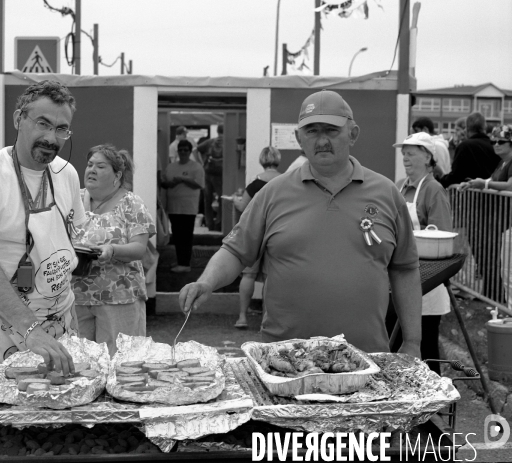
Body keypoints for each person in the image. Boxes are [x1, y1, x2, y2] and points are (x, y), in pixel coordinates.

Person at [179, 90, 422, 357]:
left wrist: (412, 342)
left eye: (331, 130)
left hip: (366, 358)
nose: (321, 140)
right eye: (312, 131)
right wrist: (207, 282)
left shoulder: (386, 194)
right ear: (298, 138)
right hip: (283, 360)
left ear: (353, 134)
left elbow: (404, 269)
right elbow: (236, 252)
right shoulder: (273, 193)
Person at [0, 80, 86, 373]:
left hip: (58, 313)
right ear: (18, 119)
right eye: (42, 123)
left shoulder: (67, 175)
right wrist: (30, 329)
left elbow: (70, 241)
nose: (51, 138)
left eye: (61, 129)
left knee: (61, 406)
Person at [72, 145, 155, 356]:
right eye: (90, 165)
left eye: (100, 166)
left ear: (117, 175)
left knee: (119, 362)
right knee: (81, 363)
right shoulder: (73, 200)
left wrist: (112, 249)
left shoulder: (131, 203)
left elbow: (139, 248)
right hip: (76, 297)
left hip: (120, 299)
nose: (92, 170)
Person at [393, 132, 452, 374]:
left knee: (426, 349)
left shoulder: (433, 190)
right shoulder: (398, 187)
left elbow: (442, 238)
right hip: (399, 279)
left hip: (428, 280)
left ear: (428, 157)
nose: (405, 158)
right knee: (395, 347)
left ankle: (434, 409)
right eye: (403, 153)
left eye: (411, 153)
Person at [458, 125, 512, 304]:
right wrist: (475, 183)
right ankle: (493, 297)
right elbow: (491, 180)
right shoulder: (502, 162)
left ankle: (500, 301)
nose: (496, 144)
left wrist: (485, 185)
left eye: (501, 141)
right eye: (493, 141)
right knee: (491, 258)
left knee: (501, 262)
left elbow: (510, 185)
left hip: (506, 221)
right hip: (499, 218)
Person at [232, 146, 282, 329]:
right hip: (276, 233)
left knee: (248, 275)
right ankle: (265, 321)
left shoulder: (255, 183)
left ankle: (242, 317)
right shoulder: (285, 181)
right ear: (278, 160)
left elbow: (243, 206)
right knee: (271, 278)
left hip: (255, 233)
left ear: (262, 160)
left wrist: (236, 200)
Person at [161, 140, 204, 273]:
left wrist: (183, 179)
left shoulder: (196, 167)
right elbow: (165, 183)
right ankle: (181, 261)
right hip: (173, 207)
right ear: (177, 151)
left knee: (186, 236)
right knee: (177, 236)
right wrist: (169, 183)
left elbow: (199, 184)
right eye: (181, 150)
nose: (183, 152)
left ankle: (185, 264)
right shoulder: (171, 166)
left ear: (190, 151)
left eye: (186, 150)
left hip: (188, 208)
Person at [438, 112, 499, 188]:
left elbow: (456, 175)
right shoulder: (495, 145)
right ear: (484, 127)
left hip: (470, 196)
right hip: (494, 195)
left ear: (466, 129)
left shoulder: (465, 146)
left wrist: (440, 180)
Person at [198, 125, 224, 231]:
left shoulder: (210, 142)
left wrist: (201, 163)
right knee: (222, 199)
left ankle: (209, 224)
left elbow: (196, 149)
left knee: (207, 200)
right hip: (221, 174)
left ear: (217, 131)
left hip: (208, 173)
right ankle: (219, 223)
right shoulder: (227, 142)